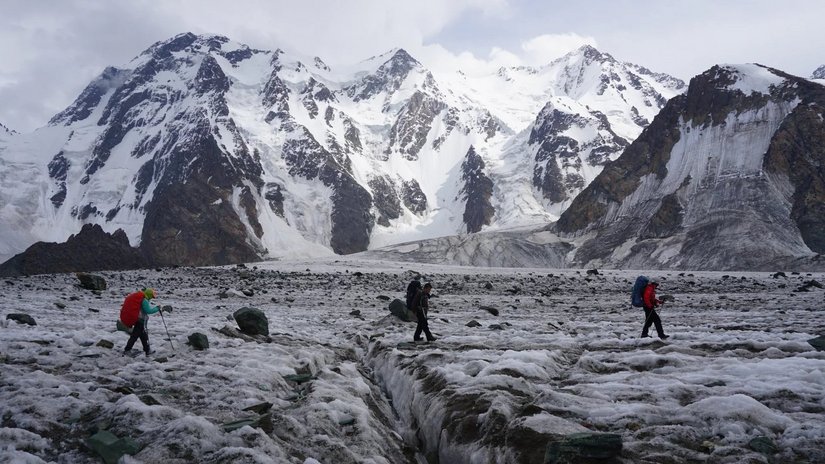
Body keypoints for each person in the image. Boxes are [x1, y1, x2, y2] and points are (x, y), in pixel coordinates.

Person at [123, 288, 161, 356]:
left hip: (139, 320)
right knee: (135, 336)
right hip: (140, 321)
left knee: (143, 336)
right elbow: (148, 311)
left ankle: (147, 350)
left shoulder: (142, 299)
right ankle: (127, 350)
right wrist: (157, 308)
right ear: (149, 295)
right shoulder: (144, 300)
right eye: (152, 296)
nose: (152, 298)